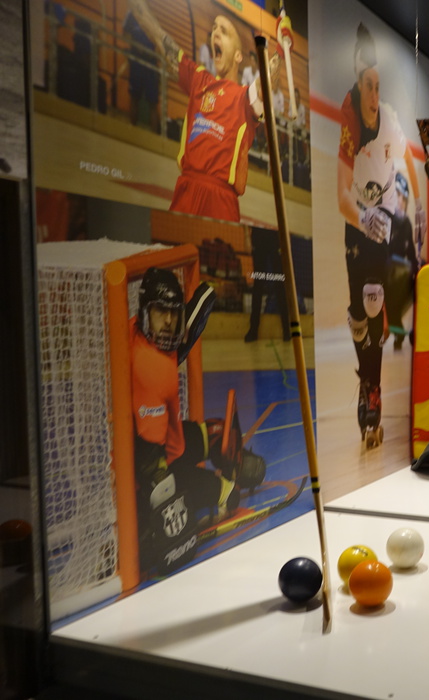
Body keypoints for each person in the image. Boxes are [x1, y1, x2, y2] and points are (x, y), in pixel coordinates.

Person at [131, 267, 258, 573]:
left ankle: (222, 449)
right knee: (226, 494)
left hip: (164, 443)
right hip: (153, 460)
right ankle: (226, 484)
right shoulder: (152, 369)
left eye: (174, 313)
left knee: (208, 435)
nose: (169, 322)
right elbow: (154, 468)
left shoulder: (138, 331)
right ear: (146, 313)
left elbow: (199, 305)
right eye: (160, 313)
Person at [336, 23, 425, 446]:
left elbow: (408, 160)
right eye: (367, 86)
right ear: (358, 86)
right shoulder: (349, 122)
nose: (374, 94)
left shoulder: (389, 119)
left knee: (374, 303)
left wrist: (418, 208)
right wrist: (361, 218)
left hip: (384, 221)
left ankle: (371, 391)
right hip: (357, 222)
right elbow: (341, 197)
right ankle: (366, 380)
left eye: (378, 86)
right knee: (358, 319)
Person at [127, 0, 280, 223]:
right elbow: (160, 38)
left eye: (223, 31)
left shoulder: (245, 97)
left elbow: (267, 81)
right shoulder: (199, 80)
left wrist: (281, 50)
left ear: (238, 56)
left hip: (221, 199)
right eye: (214, 28)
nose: (215, 33)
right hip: (186, 189)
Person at [385, 172, 420, 350]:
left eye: (403, 198)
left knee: (421, 268)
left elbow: (411, 254)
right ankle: (396, 332)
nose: (400, 202)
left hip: (400, 277)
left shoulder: (406, 223)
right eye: (396, 196)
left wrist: (418, 270)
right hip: (386, 277)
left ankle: (411, 329)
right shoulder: (385, 220)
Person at [122, 9, 160, 133]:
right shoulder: (131, 14)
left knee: (153, 102)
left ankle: (155, 137)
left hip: (151, 64)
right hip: (136, 63)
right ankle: (132, 131)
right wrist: (136, 46)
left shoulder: (151, 15)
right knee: (134, 97)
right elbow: (125, 34)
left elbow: (158, 39)